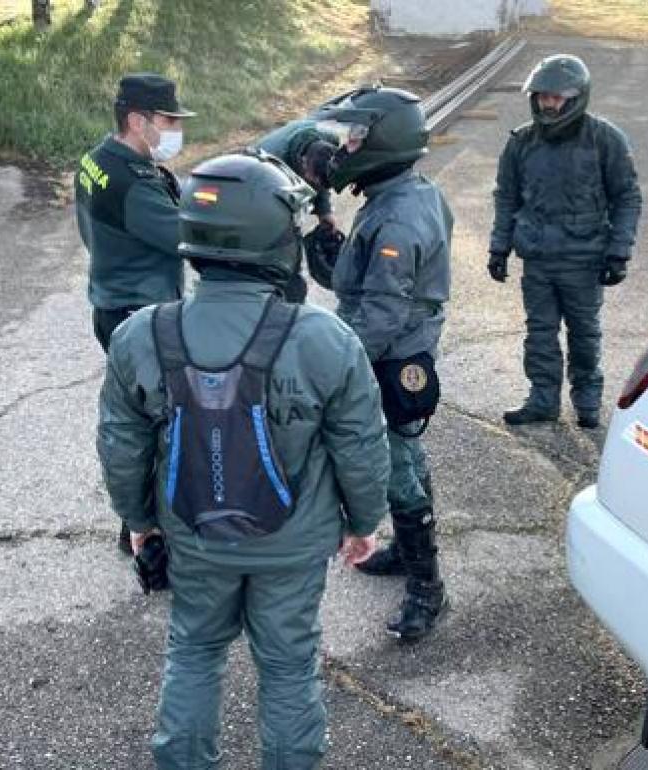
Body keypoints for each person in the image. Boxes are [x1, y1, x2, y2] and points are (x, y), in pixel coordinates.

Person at [96, 150, 391, 769]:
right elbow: (360, 445)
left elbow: (122, 445)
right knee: (288, 667)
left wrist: (137, 518)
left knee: (195, 651)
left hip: (195, 535)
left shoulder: (140, 335)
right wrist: (365, 522)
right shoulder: (324, 339)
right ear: (275, 240)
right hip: (293, 542)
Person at [312, 86, 453, 641]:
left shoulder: (396, 217)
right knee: (408, 453)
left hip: (388, 356)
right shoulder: (408, 193)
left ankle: (427, 586)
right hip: (404, 348)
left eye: (355, 136)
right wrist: (341, 255)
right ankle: (408, 551)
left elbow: (382, 312)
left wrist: (337, 368)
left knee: (394, 462)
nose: (346, 146)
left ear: (383, 142)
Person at [487, 54, 642, 430]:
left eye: (556, 97)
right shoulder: (521, 142)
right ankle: (542, 400)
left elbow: (627, 197)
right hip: (537, 259)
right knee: (539, 333)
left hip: (584, 260)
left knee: (584, 333)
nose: (547, 103)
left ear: (576, 97)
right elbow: (506, 196)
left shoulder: (605, 139)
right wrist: (498, 246)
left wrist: (619, 251)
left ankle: (587, 400)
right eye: (542, 96)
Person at [76, 72, 194, 554]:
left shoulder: (97, 160)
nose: (174, 129)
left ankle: (139, 521)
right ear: (137, 120)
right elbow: (184, 234)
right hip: (139, 313)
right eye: (167, 120)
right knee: (156, 422)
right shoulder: (132, 182)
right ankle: (146, 529)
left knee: (135, 414)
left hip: (110, 299)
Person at [254, 119, 343, 303]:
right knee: (283, 246)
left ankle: (294, 302)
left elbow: (321, 181)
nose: (315, 186)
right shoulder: (270, 163)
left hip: (293, 170)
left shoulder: (331, 143)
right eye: (312, 181)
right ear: (302, 162)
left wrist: (324, 211)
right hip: (256, 192)